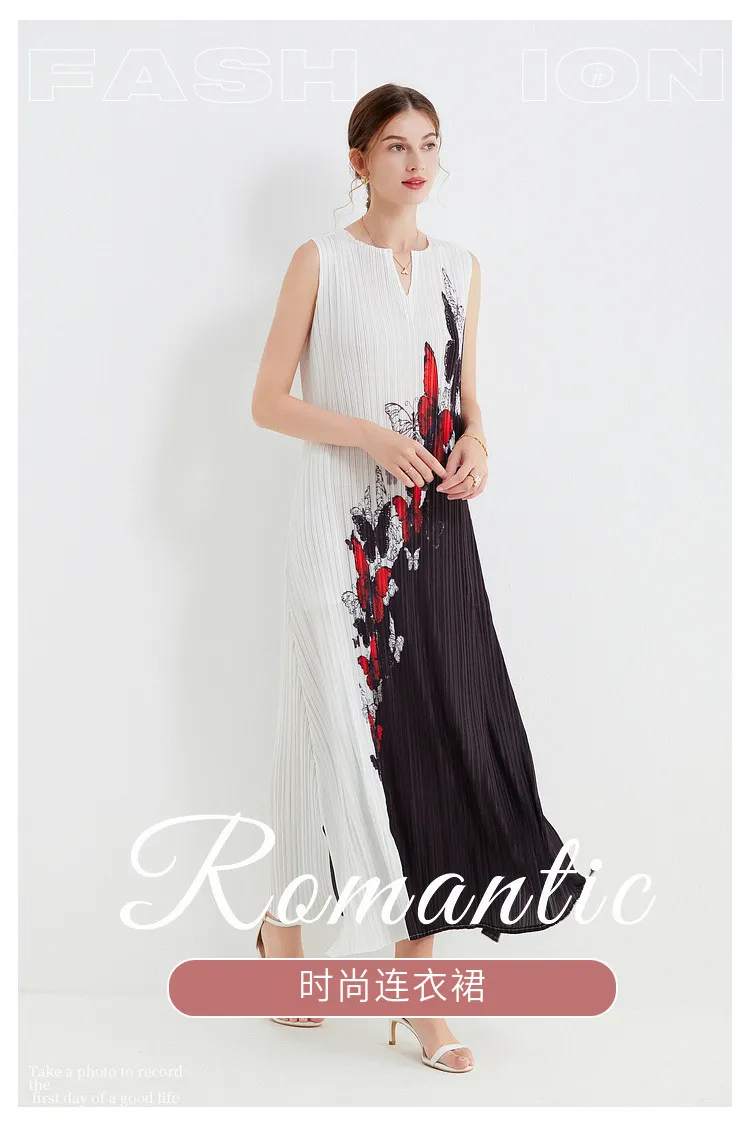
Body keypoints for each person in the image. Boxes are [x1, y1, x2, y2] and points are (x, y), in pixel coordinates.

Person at [251, 83, 588, 1073]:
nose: (417, 163)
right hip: (337, 532)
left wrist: (479, 443)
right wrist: (365, 434)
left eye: (430, 145)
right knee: (327, 732)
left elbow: (471, 401)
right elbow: (268, 401)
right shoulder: (320, 261)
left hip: (433, 533)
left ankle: (408, 984)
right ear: (358, 160)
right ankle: (285, 925)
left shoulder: (458, 268)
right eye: (397, 146)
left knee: (434, 739)